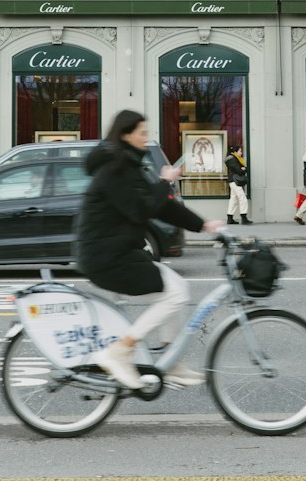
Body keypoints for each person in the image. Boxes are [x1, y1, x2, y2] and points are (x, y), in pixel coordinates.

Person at [74, 109, 223, 391]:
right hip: (106, 258)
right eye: (142, 132)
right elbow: (140, 209)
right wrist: (165, 183)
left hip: (118, 253)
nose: (147, 137)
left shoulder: (127, 165)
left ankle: (172, 362)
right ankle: (120, 351)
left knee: (177, 287)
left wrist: (204, 225)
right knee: (176, 293)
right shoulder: (113, 170)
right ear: (126, 134)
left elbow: (163, 207)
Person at [225, 144, 249, 226]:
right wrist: (244, 169)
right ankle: (244, 217)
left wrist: (242, 169)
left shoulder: (233, 159)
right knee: (243, 198)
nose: (241, 153)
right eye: (240, 151)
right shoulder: (233, 159)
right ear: (235, 151)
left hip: (233, 181)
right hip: (235, 181)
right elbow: (239, 170)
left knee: (234, 199)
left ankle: (230, 218)